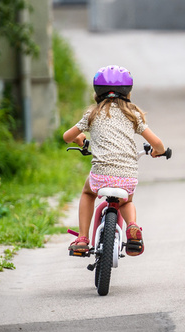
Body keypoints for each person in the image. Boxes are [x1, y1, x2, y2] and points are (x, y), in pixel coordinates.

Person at [63, 65, 166, 256]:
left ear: (97, 92)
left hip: (100, 175)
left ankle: (83, 238)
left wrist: (79, 138)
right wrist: (158, 151)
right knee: (126, 202)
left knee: (88, 193)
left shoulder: (91, 115)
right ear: (128, 92)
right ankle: (132, 226)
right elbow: (157, 143)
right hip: (127, 176)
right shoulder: (133, 115)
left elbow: (67, 136)